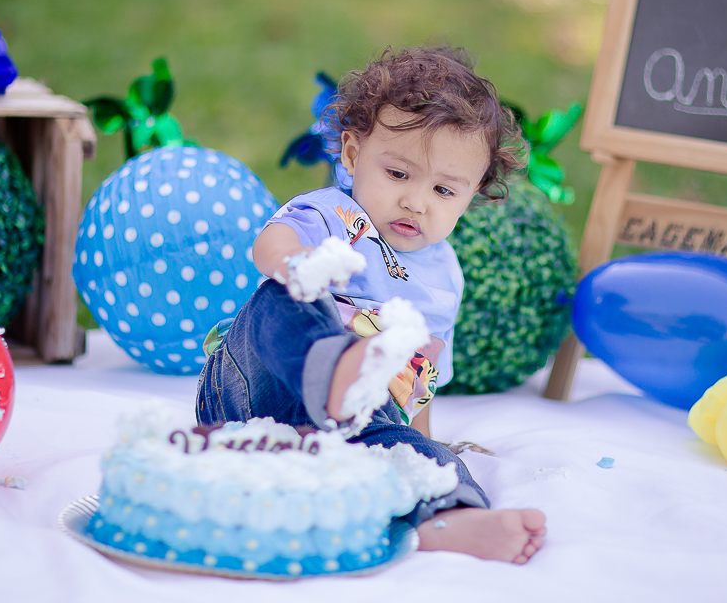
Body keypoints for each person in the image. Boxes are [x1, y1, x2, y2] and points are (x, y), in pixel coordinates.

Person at [195, 46, 546, 564]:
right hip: (254, 389)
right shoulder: (335, 214)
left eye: (444, 190)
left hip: (349, 423)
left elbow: (420, 386)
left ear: (470, 196)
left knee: (417, 454)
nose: (416, 201)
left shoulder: (445, 278)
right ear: (354, 155)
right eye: (398, 174)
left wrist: (417, 440)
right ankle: (330, 367)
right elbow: (269, 246)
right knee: (287, 295)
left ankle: (452, 519)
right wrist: (299, 265)